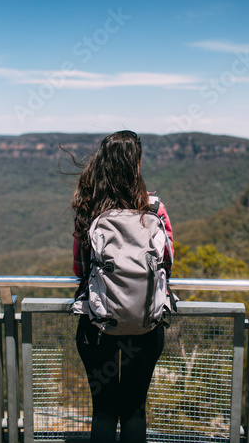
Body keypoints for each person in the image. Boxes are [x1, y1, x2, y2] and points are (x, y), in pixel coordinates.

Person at [69, 130, 174, 443]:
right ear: (137, 165)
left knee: (103, 410)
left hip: (97, 326)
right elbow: (166, 265)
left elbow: (79, 269)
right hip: (144, 325)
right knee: (133, 409)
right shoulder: (155, 210)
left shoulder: (88, 210)